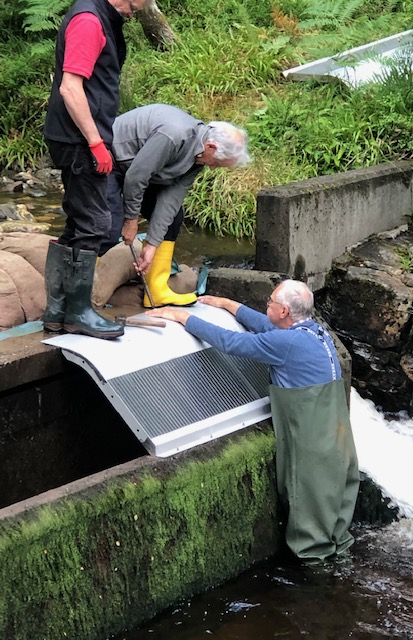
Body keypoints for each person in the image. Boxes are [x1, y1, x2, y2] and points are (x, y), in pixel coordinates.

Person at [147, 279, 360, 564]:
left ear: (284, 311)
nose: (266, 305)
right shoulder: (314, 333)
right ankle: (342, 567)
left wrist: (183, 317)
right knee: (334, 516)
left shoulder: (285, 343)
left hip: (312, 445)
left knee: (310, 524)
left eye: (271, 302)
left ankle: (317, 580)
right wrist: (228, 305)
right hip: (338, 440)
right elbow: (266, 326)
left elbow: (230, 342)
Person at [42, 0, 147, 339]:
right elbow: (70, 87)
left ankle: (58, 311)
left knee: (78, 222)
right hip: (78, 139)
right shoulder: (89, 20)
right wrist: (95, 142)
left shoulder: (103, 18)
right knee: (96, 223)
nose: (138, 11)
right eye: (138, 5)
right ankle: (79, 313)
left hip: (77, 136)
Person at [99, 103, 251, 308]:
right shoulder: (174, 136)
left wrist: (152, 244)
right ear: (210, 147)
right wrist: (131, 220)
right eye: (216, 163)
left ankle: (156, 289)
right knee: (108, 224)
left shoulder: (198, 158)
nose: (213, 168)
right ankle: (92, 292)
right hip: (110, 157)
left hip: (142, 169)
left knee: (173, 218)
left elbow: (170, 200)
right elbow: (136, 178)